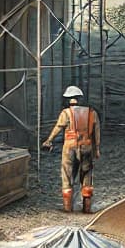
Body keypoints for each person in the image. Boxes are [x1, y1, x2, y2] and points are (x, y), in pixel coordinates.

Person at [42, 85, 99, 213]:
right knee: (86, 175)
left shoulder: (66, 113)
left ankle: (68, 209)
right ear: (80, 98)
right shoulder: (92, 113)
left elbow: (58, 127)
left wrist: (48, 140)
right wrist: (97, 149)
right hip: (87, 146)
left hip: (70, 147)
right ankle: (86, 208)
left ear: (68, 99)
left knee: (67, 175)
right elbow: (96, 133)